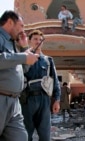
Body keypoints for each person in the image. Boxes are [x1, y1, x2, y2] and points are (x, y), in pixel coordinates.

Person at [0, 11, 39, 141]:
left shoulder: (12, 43)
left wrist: (23, 49)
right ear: (10, 22)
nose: (23, 30)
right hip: (1, 99)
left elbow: (23, 70)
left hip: (14, 102)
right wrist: (23, 57)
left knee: (21, 137)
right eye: (21, 26)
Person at [21, 30, 61, 141]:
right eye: (35, 39)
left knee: (45, 135)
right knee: (25, 134)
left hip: (44, 99)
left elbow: (55, 80)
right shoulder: (23, 58)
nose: (38, 41)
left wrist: (57, 99)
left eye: (40, 39)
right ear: (30, 41)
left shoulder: (48, 60)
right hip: (27, 99)